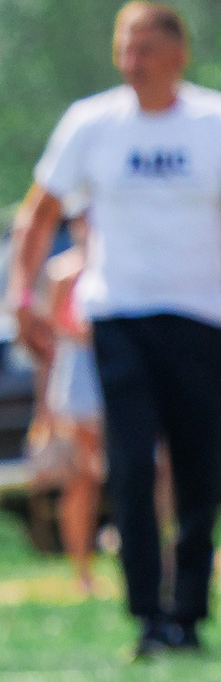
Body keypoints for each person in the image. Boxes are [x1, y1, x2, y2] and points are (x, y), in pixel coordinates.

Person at [4, 0, 221, 660]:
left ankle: (187, 612)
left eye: (146, 49)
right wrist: (22, 295)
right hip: (119, 317)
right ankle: (146, 614)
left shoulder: (220, 124)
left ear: (178, 54)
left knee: (199, 469)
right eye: (124, 48)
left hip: (200, 317)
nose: (133, 62)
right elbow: (37, 213)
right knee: (129, 467)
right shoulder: (91, 124)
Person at [31, 236, 104, 595]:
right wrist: (43, 408)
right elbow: (48, 343)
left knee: (139, 470)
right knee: (81, 476)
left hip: (121, 372)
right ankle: (82, 569)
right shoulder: (62, 273)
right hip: (79, 378)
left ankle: (150, 560)